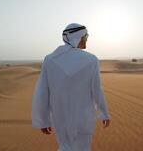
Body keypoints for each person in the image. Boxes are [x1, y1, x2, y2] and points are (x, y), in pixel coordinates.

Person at [32, 23, 111, 151]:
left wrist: (43, 120)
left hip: (60, 118)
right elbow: (97, 90)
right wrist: (104, 113)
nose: (87, 39)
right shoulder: (91, 60)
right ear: (77, 37)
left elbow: (42, 92)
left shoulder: (50, 59)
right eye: (85, 36)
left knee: (65, 147)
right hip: (84, 118)